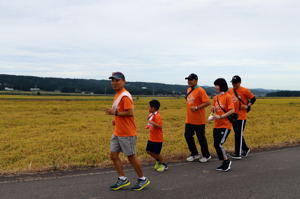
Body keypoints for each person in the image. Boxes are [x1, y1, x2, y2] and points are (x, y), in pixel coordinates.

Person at [105, 72, 150, 191]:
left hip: (127, 133)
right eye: (113, 80)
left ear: (123, 81)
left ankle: (142, 179)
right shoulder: (117, 94)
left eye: (117, 80)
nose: (114, 83)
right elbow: (121, 112)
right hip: (118, 131)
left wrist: (114, 113)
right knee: (113, 155)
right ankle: (122, 179)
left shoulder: (125, 96)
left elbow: (130, 113)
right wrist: (116, 120)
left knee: (131, 157)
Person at [184, 73, 211, 162]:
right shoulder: (188, 90)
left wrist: (197, 107)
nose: (189, 81)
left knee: (201, 138)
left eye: (191, 80)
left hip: (199, 120)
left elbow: (207, 102)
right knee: (188, 136)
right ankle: (195, 154)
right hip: (189, 119)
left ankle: (206, 155)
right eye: (188, 80)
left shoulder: (200, 90)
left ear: (196, 80)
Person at [228, 75, 256, 159]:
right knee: (238, 134)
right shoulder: (230, 90)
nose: (234, 84)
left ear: (240, 83)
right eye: (232, 82)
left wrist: (247, 106)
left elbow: (253, 98)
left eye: (235, 83)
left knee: (238, 135)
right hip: (233, 116)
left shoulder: (245, 90)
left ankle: (238, 153)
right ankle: (245, 149)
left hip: (241, 116)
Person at [210, 78, 235, 171]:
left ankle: (227, 161)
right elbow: (214, 109)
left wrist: (221, 116)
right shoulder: (215, 97)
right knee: (216, 145)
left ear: (221, 86)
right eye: (215, 85)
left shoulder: (227, 96)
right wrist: (212, 111)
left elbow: (232, 110)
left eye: (216, 85)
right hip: (216, 124)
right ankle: (224, 162)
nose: (215, 87)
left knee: (219, 144)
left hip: (225, 125)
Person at [145, 99, 168, 172]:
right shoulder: (152, 115)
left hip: (157, 138)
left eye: (149, 107)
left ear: (153, 108)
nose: (148, 108)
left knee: (157, 153)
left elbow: (160, 126)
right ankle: (158, 161)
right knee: (148, 151)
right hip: (152, 137)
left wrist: (151, 122)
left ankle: (164, 165)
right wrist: (149, 125)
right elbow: (151, 123)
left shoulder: (157, 116)